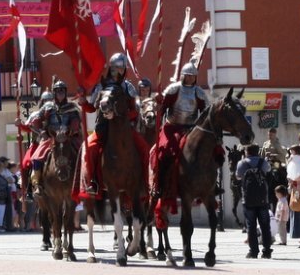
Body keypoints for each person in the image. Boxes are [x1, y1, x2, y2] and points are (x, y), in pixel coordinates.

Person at [79, 53, 146, 195]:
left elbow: (134, 111)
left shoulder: (128, 87)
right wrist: (84, 103)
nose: (118, 71)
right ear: (111, 68)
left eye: (121, 68)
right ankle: (92, 182)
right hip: (103, 127)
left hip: (123, 128)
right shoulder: (101, 86)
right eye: (116, 68)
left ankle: (145, 182)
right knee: (89, 148)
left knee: (144, 149)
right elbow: (92, 108)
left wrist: (120, 116)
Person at [152, 61, 210, 200]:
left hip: (190, 129)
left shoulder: (199, 93)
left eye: (192, 76)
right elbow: (161, 109)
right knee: (165, 150)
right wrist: (158, 103)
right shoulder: (173, 89)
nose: (190, 78)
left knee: (209, 151)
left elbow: (205, 113)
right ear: (183, 76)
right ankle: (158, 184)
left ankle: (212, 185)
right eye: (188, 76)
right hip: (171, 128)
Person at [17, 81, 82, 196]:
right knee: (37, 157)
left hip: (69, 137)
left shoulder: (72, 107)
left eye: (62, 91)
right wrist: (42, 132)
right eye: (58, 91)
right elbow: (36, 120)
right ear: (54, 93)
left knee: (83, 154)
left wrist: (70, 131)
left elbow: (76, 121)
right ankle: (37, 184)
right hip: (50, 138)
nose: (60, 93)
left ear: (66, 92)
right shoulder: (48, 107)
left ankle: (85, 182)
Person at [236, 144, 272, 259]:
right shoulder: (263, 162)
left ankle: (253, 251)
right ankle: (266, 251)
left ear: (247, 152)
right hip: (263, 198)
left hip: (248, 199)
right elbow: (269, 170)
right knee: (265, 225)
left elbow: (237, 176)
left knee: (251, 226)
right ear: (258, 152)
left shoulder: (242, 163)